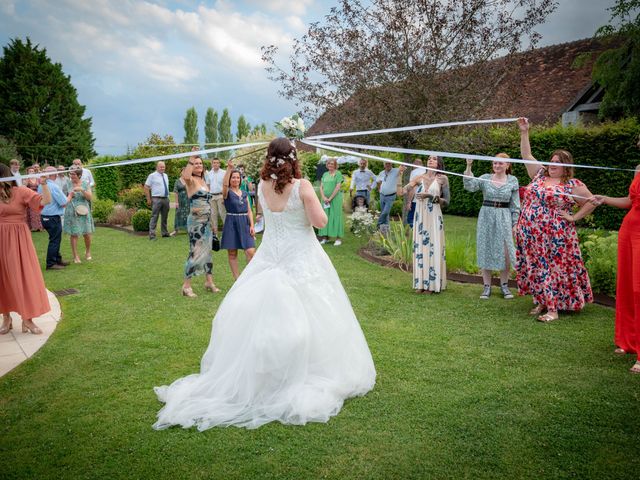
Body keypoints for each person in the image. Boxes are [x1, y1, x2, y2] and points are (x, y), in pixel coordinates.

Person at [153, 137, 375, 430]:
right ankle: (306, 372)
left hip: (270, 257)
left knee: (263, 314)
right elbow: (320, 222)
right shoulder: (303, 186)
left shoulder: (261, 186)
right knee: (318, 313)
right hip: (301, 256)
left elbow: (267, 217)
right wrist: (312, 203)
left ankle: (266, 374)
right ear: (294, 158)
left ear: (269, 158)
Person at [516, 117, 594, 322]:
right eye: (551, 160)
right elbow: (526, 155)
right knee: (537, 267)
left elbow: (592, 201)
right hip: (531, 235)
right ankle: (543, 300)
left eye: (557, 162)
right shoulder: (539, 174)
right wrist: (525, 132)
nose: (552, 164)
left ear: (566, 166)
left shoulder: (572, 184)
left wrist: (574, 216)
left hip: (555, 237)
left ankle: (553, 309)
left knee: (550, 268)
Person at [587, 163, 640, 373]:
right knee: (628, 285)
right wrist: (604, 199)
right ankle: (628, 340)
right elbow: (630, 201)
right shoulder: (638, 168)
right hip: (630, 229)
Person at [0, 163, 52, 335]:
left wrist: (43, 183)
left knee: (21, 277)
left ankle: (27, 319)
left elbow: (45, 201)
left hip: (18, 240)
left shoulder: (21, 191)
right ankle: (6, 318)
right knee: (2, 278)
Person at [463, 154, 520, 299]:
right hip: (486, 216)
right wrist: (469, 166)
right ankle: (486, 286)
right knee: (485, 247)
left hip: (504, 216)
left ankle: (504, 285)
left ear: (507, 165)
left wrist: (515, 224)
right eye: (495, 163)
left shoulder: (513, 180)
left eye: (500, 163)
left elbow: (515, 205)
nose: (497, 165)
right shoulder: (485, 178)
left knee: (506, 251)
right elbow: (470, 186)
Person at [404, 156, 450, 293]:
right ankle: (421, 284)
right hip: (421, 217)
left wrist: (430, 197)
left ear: (439, 163)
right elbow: (403, 191)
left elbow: (447, 202)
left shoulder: (443, 179)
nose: (430, 160)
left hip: (434, 216)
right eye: (429, 158)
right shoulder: (419, 178)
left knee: (433, 247)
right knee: (421, 247)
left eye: (434, 159)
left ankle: (432, 284)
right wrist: (399, 175)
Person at [181, 155, 220, 298]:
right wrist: (191, 158)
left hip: (206, 222)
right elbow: (185, 175)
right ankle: (186, 286)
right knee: (195, 252)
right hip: (196, 223)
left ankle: (209, 282)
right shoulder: (190, 181)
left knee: (208, 252)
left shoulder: (203, 180)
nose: (198, 165)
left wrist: (212, 224)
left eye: (200, 163)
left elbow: (208, 203)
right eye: (195, 164)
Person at [221, 161, 256, 279]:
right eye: (233, 177)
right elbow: (224, 185)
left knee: (251, 251)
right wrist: (229, 169)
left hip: (245, 223)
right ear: (230, 179)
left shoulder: (245, 193)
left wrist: (252, 225)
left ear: (240, 179)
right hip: (231, 223)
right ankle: (237, 279)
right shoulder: (227, 193)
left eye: (237, 177)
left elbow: (249, 211)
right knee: (232, 253)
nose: (235, 179)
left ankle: (251, 277)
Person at [39, 166, 69, 270]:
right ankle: (51, 263)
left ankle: (57, 259)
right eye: (56, 173)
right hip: (52, 217)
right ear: (54, 175)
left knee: (55, 239)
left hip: (44, 216)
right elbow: (64, 202)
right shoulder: (54, 186)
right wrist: (71, 195)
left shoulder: (41, 185)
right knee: (55, 240)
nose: (57, 175)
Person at [63, 167, 95, 263]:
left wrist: (82, 190)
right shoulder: (67, 184)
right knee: (74, 234)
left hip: (84, 210)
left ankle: (88, 252)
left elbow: (89, 197)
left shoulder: (85, 184)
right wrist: (69, 195)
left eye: (73, 174)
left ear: (79, 175)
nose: (71, 176)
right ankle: (75, 256)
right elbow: (63, 197)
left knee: (87, 233)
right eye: (70, 174)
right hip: (72, 211)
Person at [318, 157, 345, 246]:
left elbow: (338, 187)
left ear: (335, 165)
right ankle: (325, 237)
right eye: (329, 163)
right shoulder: (325, 174)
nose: (330, 165)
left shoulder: (338, 174)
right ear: (327, 165)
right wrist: (324, 197)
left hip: (335, 199)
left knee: (336, 216)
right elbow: (321, 187)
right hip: (325, 200)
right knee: (325, 217)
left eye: (332, 164)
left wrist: (330, 198)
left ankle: (338, 238)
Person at [144, 161, 170, 240]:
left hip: (166, 198)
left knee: (165, 217)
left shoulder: (165, 175)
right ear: (157, 167)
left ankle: (164, 233)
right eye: (161, 167)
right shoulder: (152, 176)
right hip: (156, 198)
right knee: (154, 216)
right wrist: (148, 199)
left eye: (163, 166)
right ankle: (152, 235)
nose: (162, 168)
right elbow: (146, 187)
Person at [376, 161, 405, 231]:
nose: (388, 165)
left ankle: (378, 224)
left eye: (389, 163)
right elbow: (378, 181)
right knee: (385, 213)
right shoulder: (381, 173)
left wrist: (402, 166)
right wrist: (379, 188)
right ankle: (385, 230)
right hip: (382, 195)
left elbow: (403, 167)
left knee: (385, 212)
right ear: (384, 165)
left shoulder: (396, 171)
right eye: (386, 163)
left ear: (391, 164)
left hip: (391, 196)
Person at [207, 157, 226, 235]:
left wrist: (225, 196)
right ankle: (215, 234)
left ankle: (227, 233)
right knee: (213, 215)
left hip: (220, 196)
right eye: (214, 163)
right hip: (212, 196)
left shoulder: (223, 172)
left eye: (217, 163)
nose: (215, 164)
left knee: (223, 214)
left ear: (219, 164)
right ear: (212, 164)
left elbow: (226, 185)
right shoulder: (208, 173)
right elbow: (208, 185)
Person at [406, 158, 427, 226]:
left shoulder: (414, 172)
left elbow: (412, 188)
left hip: (416, 200)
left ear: (414, 164)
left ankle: (416, 235)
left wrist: (409, 202)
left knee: (410, 219)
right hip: (426, 200)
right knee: (422, 220)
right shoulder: (426, 171)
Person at [24, 167, 44, 232]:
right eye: (30, 171)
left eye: (32, 171)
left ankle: (39, 226)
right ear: (28, 172)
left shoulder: (38, 179)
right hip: (29, 196)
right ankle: (31, 226)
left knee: (37, 211)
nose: (31, 172)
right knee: (30, 211)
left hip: (37, 196)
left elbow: (41, 186)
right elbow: (24, 187)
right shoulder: (26, 179)